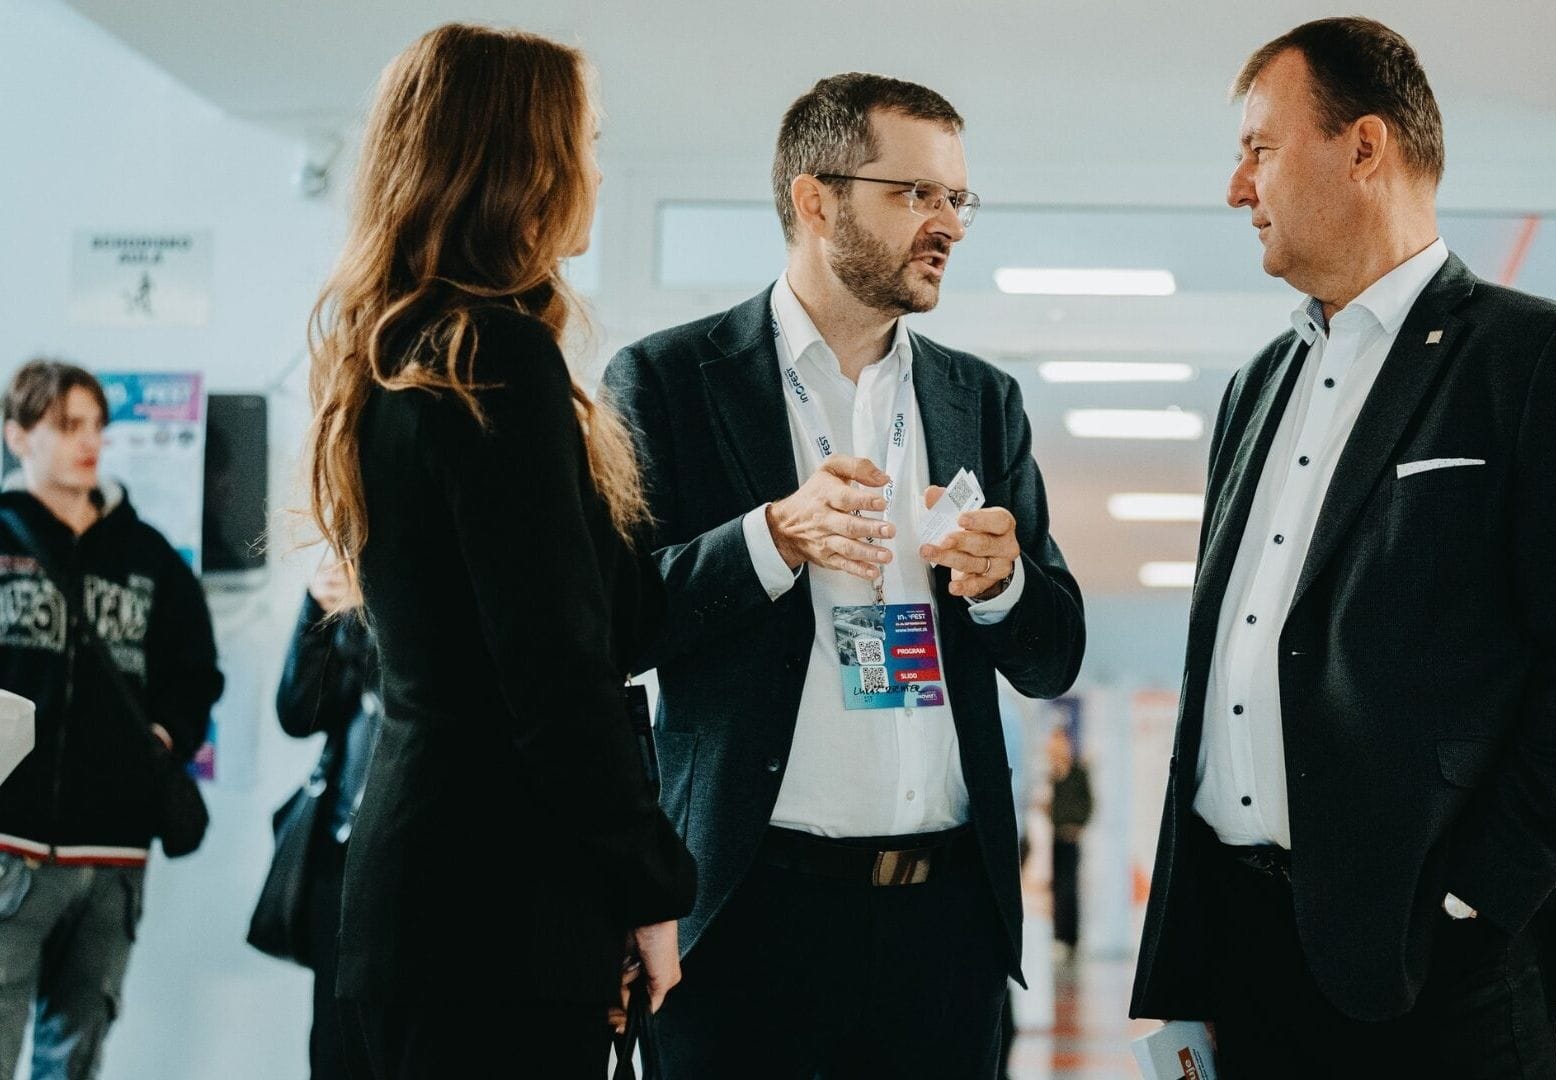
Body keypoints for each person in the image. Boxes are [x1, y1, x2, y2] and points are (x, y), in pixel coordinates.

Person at [1129, 18, 1556, 1078]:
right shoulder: (1254, 388)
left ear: (1364, 146)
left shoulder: (1539, 357)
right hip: (1246, 953)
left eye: (1260, 149)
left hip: (1438, 968)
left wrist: (1475, 892)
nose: (1238, 188)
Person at [603, 72, 1086, 1078]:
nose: (948, 223)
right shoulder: (666, 380)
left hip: (945, 930)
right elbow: (618, 624)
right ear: (814, 201)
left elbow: (1054, 657)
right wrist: (772, 537)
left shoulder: (980, 400)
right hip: (744, 917)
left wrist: (1003, 584)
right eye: (915, 193)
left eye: (957, 197)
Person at [301, 24, 695, 1079]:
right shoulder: (494, 358)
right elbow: (557, 673)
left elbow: (600, 621)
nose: (599, 170)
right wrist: (647, 886)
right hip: (495, 915)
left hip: (415, 897)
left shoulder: (401, 354)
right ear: (525, 161)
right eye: (588, 140)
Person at [0, 359, 224, 1078]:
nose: (89, 441)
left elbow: (197, 673)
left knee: (75, 1061)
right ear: (17, 435)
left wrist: (163, 737)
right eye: (68, 425)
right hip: (9, 846)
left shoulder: (148, 555)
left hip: (114, 857)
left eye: (97, 424)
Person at [273, 559, 379, 1080]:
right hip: (341, 848)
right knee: (336, 1051)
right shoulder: (352, 575)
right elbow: (299, 712)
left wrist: (379, 604)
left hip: (411, 851)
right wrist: (318, 610)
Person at [1047, 726, 1093, 959]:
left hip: (1071, 836)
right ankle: (1058, 936)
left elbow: (1088, 803)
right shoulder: (1051, 775)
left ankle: (1070, 938)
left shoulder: (1078, 772)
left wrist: (1078, 824)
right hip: (1053, 837)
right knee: (1056, 887)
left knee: (1068, 887)